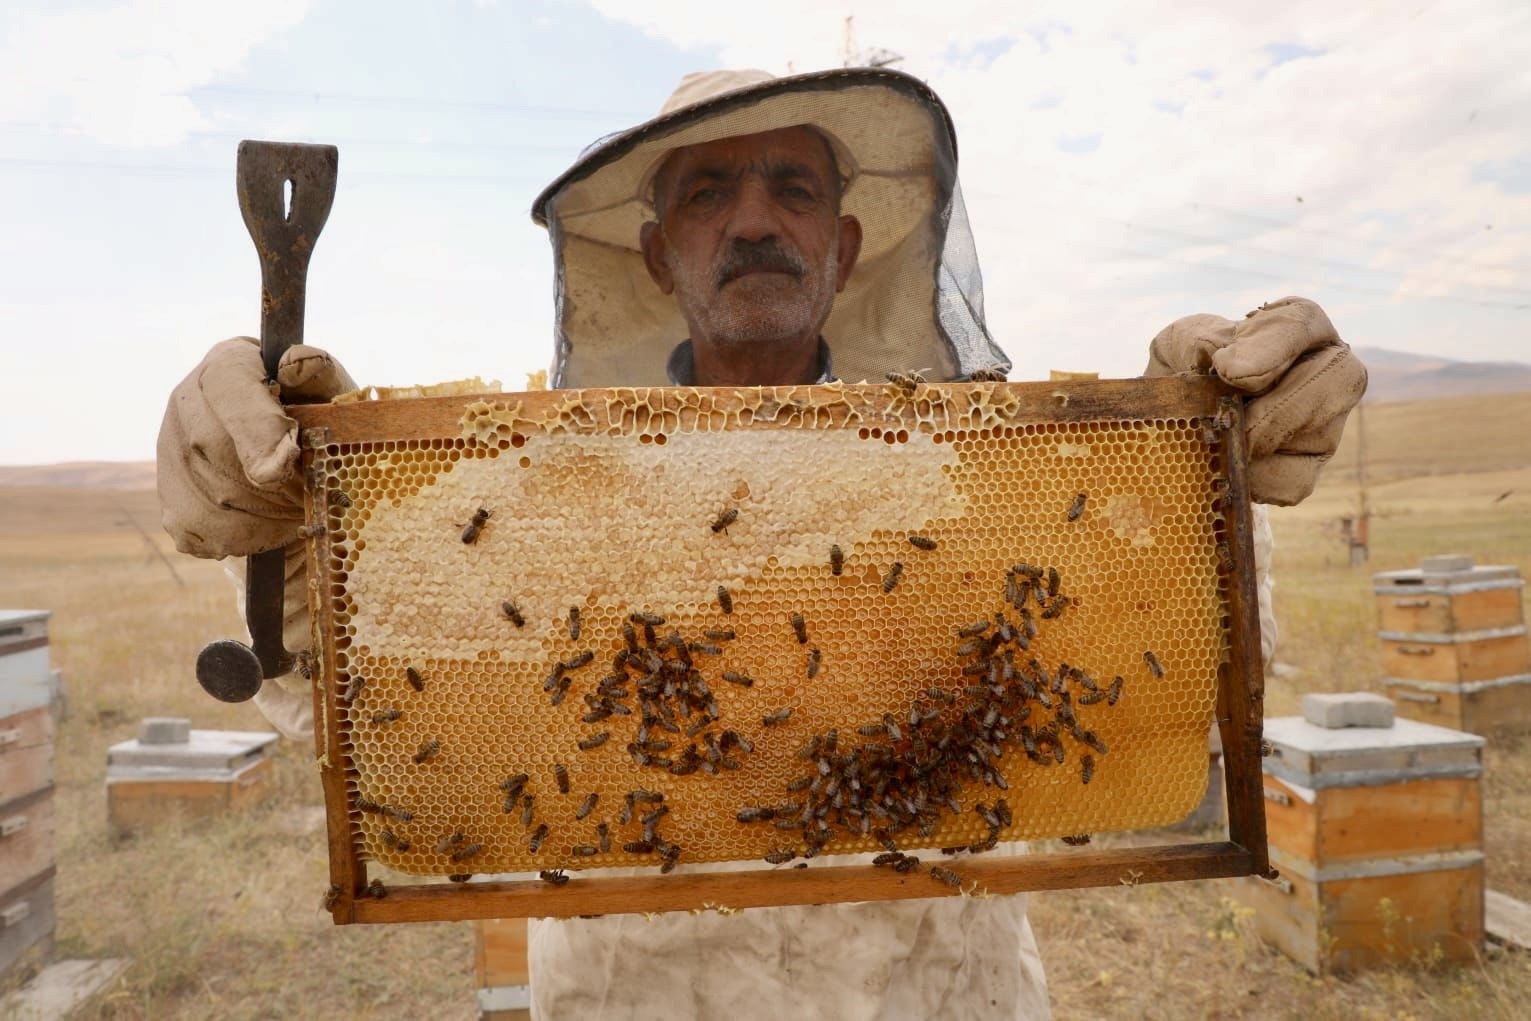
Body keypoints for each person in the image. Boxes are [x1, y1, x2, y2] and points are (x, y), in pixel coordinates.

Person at [158, 68, 1366, 1020]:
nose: (752, 219)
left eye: (792, 186)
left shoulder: (981, 489)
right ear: (657, 255)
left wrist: (1194, 474)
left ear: (842, 249)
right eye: (706, 191)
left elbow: (1153, 689)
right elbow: (371, 713)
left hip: (941, 999)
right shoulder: (532, 500)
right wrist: (282, 525)